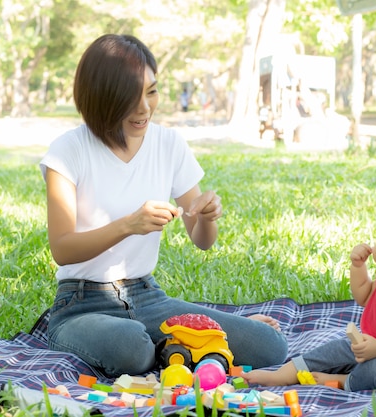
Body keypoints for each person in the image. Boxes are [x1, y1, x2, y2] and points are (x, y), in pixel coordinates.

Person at [39, 34, 288, 377]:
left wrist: (207, 216)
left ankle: (177, 344)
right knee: (131, 349)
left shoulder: (168, 143)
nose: (144, 108)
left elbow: (202, 240)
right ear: (101, 98)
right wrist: (129, 225)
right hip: (81, 305)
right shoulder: (68, 151)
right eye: (130, 97)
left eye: (151, 92)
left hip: (148, 297)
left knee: (269, 345)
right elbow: (62, 249)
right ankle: (173, 345)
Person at [244, 202, 376, 391]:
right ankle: (282, 375)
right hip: (371, 348)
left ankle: (345, 381)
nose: (374, 241)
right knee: (338, 347)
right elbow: (364, 296)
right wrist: (358, 267)